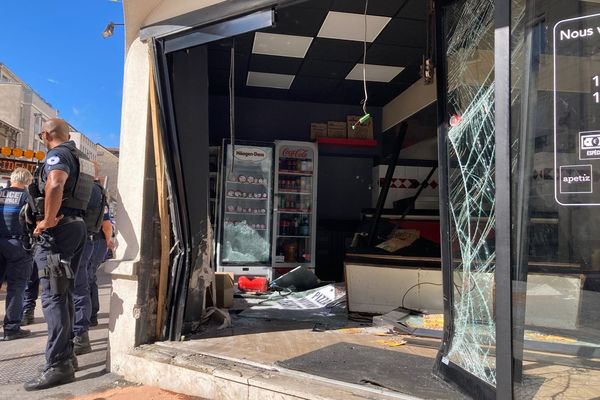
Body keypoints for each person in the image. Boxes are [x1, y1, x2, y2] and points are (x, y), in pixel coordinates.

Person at [23, 118, 94, 391]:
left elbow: (54, 183)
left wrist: (48, 220)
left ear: (46, 134)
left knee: (53, 296)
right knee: (63, 293)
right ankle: (68, 356)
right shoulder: (81, 158)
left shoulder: (58, 154)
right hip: (76, 228)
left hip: (58, 232)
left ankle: (58, 364)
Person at [71, 163, 111, 354]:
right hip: (91, 240)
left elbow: (106, 224)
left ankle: (82, 330)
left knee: (82, 284)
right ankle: (88, 321)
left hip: (86, 241)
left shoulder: (85, 189)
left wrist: (109, 241)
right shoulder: (99, 191)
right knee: (87, 282)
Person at [0, 168, 34, 340]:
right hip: (18, 246)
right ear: (28, 181)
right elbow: (34, 223)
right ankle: (12, 329)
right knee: (17, 286)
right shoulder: (26, 198)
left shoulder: (0, 193)